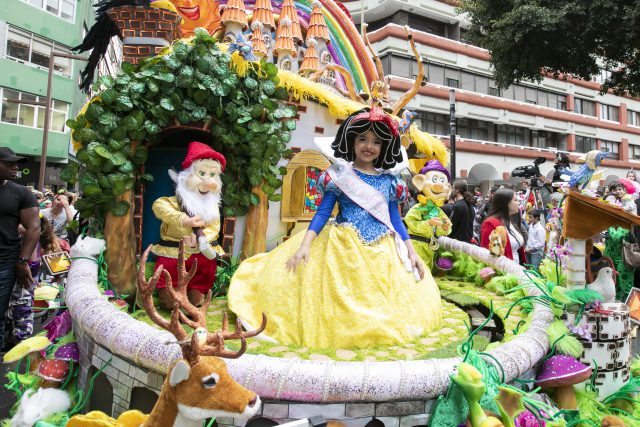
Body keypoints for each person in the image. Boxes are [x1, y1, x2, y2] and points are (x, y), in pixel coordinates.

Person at [228, 107, 441, 349]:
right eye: (362, 139)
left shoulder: (389, 181)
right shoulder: (338, 176)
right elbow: (323, 212)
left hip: (384, 248)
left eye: (375, 141)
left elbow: (395, 218)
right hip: (343, 246)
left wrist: (411, 251)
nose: (368, 146)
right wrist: (306, 245)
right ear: (352, 141)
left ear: (383, 147)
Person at [0, 147, 40, 351]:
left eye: (16, 163)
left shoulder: (21, 193)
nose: (15, 167)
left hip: (5, 262)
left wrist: (23, 261)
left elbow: (34, 227)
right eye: (9, 163)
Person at [480, 189, 526, 263]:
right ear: (506, 203)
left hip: (517, 270)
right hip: (505, 271)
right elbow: (492, 254)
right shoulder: (491, 223)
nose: (518, 202)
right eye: (515, 200)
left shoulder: (511, 220)